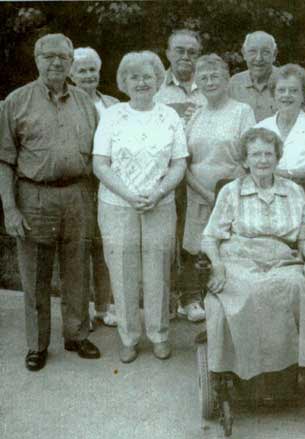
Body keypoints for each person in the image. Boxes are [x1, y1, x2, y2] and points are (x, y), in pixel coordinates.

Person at [200, 127, 305, 389]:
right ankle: (251, 372)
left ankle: (296, 366)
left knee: (301, 288)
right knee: (251, 291)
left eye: (268, 154)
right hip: (239, 260)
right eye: (255, 154)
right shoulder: (231, 191)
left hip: (283, 260)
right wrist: (217, 265)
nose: (262, 160)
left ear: (277, 157)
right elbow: (210, 237)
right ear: (245, 160)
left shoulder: (294, 191)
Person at [0, 33, 101, 371]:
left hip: (78, 194)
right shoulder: (16, 102)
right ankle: (37, 344)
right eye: (49, 56)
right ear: (37, 60)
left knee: (78, 269)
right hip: (34, 195)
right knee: (35, 274)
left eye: (63, 57)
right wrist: (10, 208)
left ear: (71, 62)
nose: (57, 62)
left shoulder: (85, 103)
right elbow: (4, 160)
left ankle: (76, 334)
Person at [93, 51, 188, 363]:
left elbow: (178, 164)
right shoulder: (113, 115)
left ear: (158, 80)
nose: (141, 82)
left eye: (148, 76)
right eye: (134, 77)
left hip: (159, 204)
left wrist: (157, 193)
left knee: (157, 269)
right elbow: (100, 164)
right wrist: (129, 195)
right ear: (124, 82)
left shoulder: (169, 116)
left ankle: (159, 335)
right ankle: (129, 337)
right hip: (117, 204)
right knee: (122, 270)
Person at [182, 54, 255, 317]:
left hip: (232, 194)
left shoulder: (242, 111)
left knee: (228, 249)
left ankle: (230, 304)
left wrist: (224, 195)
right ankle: (194, 302)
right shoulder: (195, 115)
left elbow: (249, 157)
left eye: (215, 76)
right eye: (203, 78)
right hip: (197, 193)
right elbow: (183, 161)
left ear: (227, 80)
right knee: (197, 250)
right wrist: (203, 193)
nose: (210, 82)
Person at [154, 29, 206, 323]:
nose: (186, 56)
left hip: (197, 173)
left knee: (192, 237)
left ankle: (191, 296)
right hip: (164, 174)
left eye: (192, 52)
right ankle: (167, 298)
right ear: (168, 53)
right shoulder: (154, 86)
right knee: (164, 239)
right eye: (180, 50)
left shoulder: (209, 84)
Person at [70, 47, 118, 328]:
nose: (88, 75)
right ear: (71, 74)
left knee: (105, 245)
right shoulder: (67, 103)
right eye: (82, 71)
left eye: (92, 70)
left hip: (109, 184)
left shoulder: (112, 103)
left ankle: (104, 305)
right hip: (81, 183)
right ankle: (80, 311)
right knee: (79, 248)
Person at [255, 64, 305, 245]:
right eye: (281, 90)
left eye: (294, 90)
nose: (287, 95)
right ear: (273, 94)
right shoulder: (260, 128)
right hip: (266, 212)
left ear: (303, 95)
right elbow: (251, 167)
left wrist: (272, 173)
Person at [229, 31, 279, 122]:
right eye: (252, 51)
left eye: (265, 52)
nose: (259, 58)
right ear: (244, 54)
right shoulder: (234, 83)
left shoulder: (286, 81)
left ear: (274, 55)